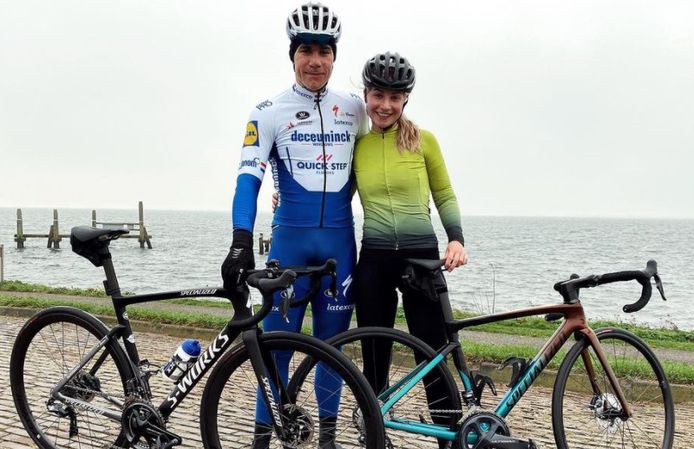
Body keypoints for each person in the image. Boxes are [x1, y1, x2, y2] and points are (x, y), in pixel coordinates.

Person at [221, 3, 367, 448]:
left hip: (339, 251)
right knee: (276, 352)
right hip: (288, 248)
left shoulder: (355, 110)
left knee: (333, 352)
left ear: (335, 57)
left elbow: (380, 160)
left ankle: (327, 441)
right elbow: (248, 180)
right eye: (306, 50)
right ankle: (261, 442)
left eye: (324, 51)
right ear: (292, 55)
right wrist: (241, 240)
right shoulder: (268, 111)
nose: (315, 61)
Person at [352, 51, 468, 448]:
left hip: (421, 258)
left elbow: (444, 193)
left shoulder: (424, 141)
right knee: (374, 356)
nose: (385, 105)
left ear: (405, 100)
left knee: (433, 356)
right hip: (374, 259)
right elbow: (336, 195)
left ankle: (447, 439)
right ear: (366, 95)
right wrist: (284, 199)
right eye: (378, 95)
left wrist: (456, 238)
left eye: (395, 97)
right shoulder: (358, 145)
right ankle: (375, 434)